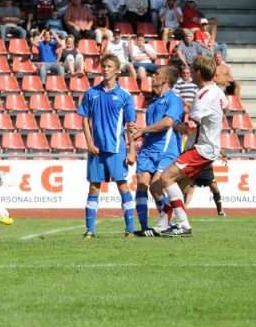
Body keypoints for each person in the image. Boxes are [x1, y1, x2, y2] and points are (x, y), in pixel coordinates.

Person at [143, 55, 227, 237]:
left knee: (165, 178)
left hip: (200, 149)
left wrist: (175, 125)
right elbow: (223, 110)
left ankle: (183, 224)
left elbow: (189, 128)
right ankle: (161, 226)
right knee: (178, 187)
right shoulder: (217, 91)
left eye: (191, 70)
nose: (187, 74)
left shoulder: (202, 96)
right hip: (208, 147)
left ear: (197, 73)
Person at [78, 53, 137, 238]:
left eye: (109, 66)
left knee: (122, 186)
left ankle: (130, 229)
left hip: (117, 149)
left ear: (117, 70)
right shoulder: (91, 93)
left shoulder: (124, 96)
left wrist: (132, 151)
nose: (105, 69)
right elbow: (84, 120)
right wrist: (89, 143)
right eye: (103, 66)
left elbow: (131, 126)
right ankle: (90, 230)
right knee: (94, 187)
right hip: (96, 150)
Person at [129, 66, 185, 236]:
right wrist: (137, 131)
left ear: (166, 80)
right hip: (148, 150)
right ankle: (145, 228)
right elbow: (152, 127)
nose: (153, 77)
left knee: (156, 187)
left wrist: (143, 130)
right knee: (141, 184)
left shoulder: (174, 99)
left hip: (167, 150)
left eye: (157, 75)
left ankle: (171, 222)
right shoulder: (153, 102)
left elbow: (168, 123)